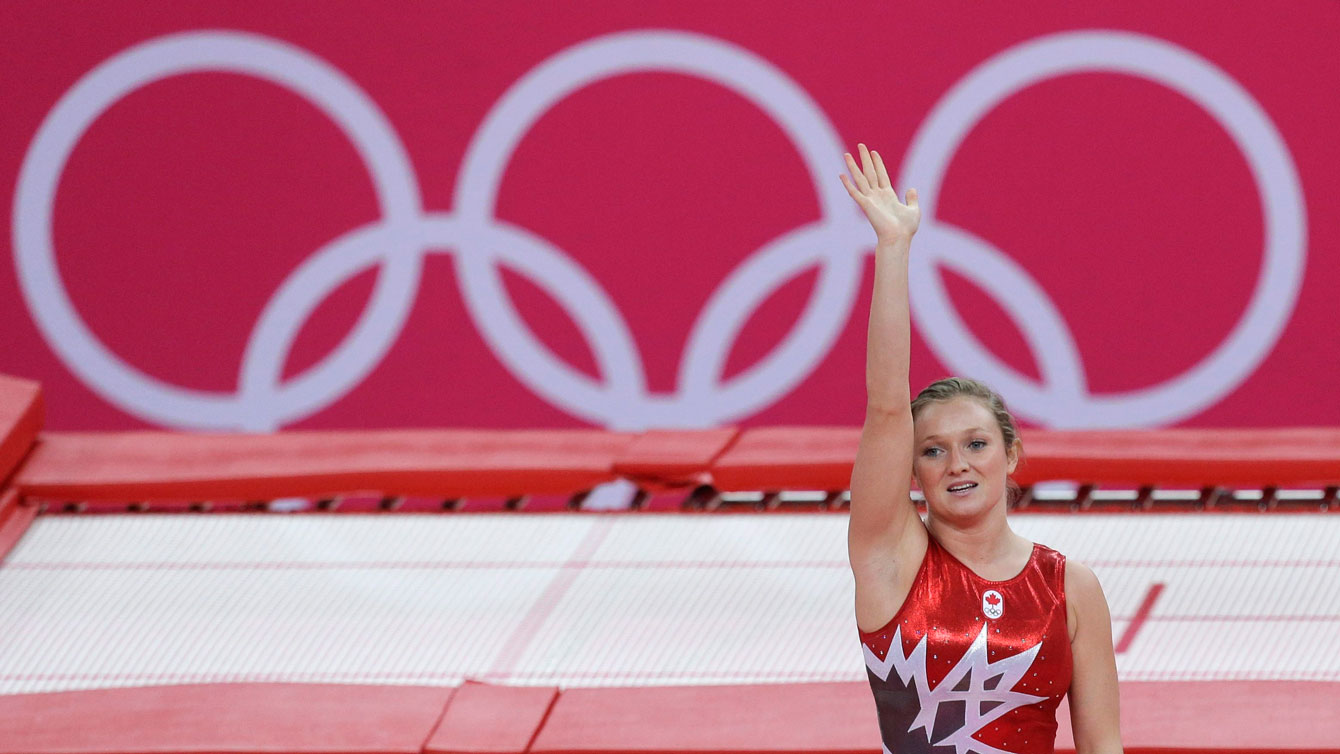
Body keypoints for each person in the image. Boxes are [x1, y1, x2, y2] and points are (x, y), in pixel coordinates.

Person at [840, 144, 1122, 753]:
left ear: (1011, 454)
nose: (958, 463)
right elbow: (886, 407)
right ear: (911, 470)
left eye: (975, 443)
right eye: (933, 451)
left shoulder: (1071, 588)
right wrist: (894, 249)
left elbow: (1103, 747)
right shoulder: (891, 562)